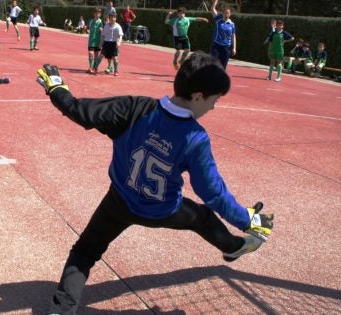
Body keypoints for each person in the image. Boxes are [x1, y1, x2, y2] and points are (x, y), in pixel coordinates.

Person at [36, 52, 274, 314]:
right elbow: (213, 193)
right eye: (214, 100)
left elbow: (80, 111)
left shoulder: (135, 108)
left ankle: (60, 310)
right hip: (163, 211)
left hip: (119, 201)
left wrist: (56, 87)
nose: (214, 107)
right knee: (202, 218)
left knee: (85, 251)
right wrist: (246, 220)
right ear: (197, 96)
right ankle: (235, 247)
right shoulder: (195, 137)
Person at [210, 0, 236, 69]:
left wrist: (234, 48)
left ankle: (220, 78)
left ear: (230, 14)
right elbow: (212, 9)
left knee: (223, 66)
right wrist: (216, 1)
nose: (226, 14)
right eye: (225, 13)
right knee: (213, 64)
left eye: (227, 13)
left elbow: (233, 36)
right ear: (222, 13)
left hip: (226, 48)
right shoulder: (218, 19)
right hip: (216, 46)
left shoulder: (232, 24)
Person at [86, 8, 104, 74]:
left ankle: (95, 67)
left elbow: (104, 30)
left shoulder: (101, 22)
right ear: (94, 14)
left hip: (98, 41)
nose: (97, 14)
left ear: (100, 14)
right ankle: (90, 67)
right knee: (91, 53)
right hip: (91, 41)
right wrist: (87, 30)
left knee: (96, 55)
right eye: (96, 13)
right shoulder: (91, 21)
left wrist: (102, 30)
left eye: (99, 13)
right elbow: (88, 28)